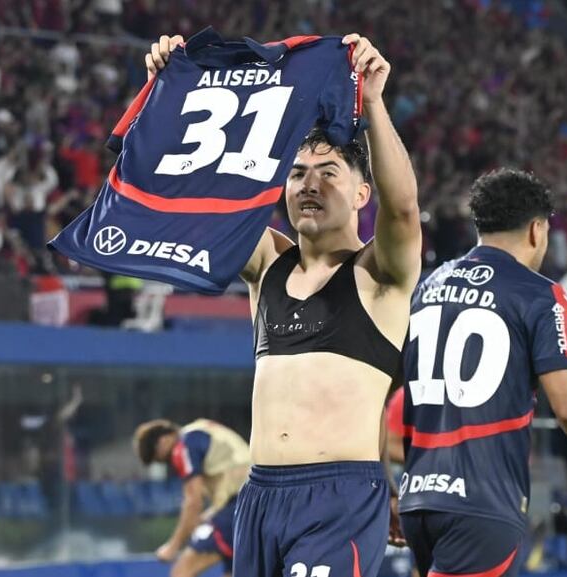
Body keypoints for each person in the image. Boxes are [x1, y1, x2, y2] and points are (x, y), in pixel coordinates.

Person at [147, 32, 421, 577]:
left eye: (327, 174)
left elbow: (405, 210)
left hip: (338, 501)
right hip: (259, 497)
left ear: (362, 194)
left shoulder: (378, 276)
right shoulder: (269, 263)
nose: (308, 185)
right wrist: (171, 95)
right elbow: (203, 194)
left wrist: (373, 105)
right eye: (296, 174)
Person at [398, 168, 567, 577]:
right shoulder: (539, 294)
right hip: (482, 504)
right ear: (536, 230)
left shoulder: (428, 287)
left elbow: (383, 392)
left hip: (419, 501)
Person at [133, 419, 251, 577]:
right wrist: (208, 516)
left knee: (181, 572)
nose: (168, 463)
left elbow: (193, 502)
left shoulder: (183, 446)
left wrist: (172, 546)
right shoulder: (201, 427)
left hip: (237, 507)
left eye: (160, 459)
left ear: (163, 441)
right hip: (253, 502)